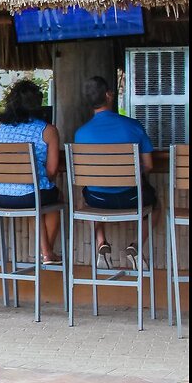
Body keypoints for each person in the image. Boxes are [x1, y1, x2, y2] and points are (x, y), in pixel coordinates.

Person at [74, 75, 155, 270]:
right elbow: (149, 165)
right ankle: (135, 246)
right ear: (109, 95)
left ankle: (102, 243)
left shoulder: (80, 133)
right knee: (155, 207)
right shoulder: (133, 126)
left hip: (97, 200)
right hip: (131, 198)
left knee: (86, 201)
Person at [0, 79, 63, 264]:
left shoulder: (3, 128)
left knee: (35, 199)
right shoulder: (47, 130)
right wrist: (46, 180)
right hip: (29, 196)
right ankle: (47, 254)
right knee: (50, 199)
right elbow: (52, 170)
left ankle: (47, 254)